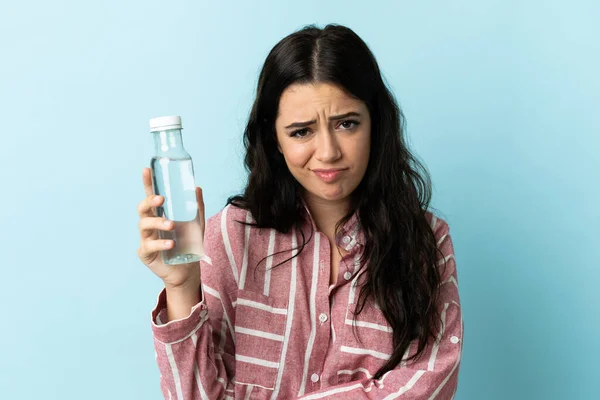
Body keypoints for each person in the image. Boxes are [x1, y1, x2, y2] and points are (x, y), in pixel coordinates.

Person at [137, 23, 463, 400]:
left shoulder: (427, 240)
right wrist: (180, 287)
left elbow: (428, 384)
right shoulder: (229, 236)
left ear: (376, 124)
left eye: (347, 124)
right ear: (274, 139)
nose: (328, 152)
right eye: (301, 132)